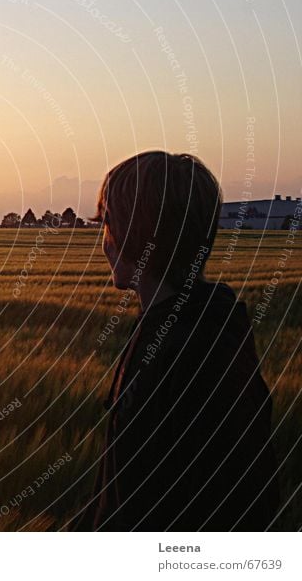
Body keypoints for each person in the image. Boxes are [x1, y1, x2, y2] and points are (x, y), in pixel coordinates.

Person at [68, 151, 280, 531]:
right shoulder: (207, 326)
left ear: (137, 233)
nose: (105, 241)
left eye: (109, 223)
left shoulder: (182, 354)